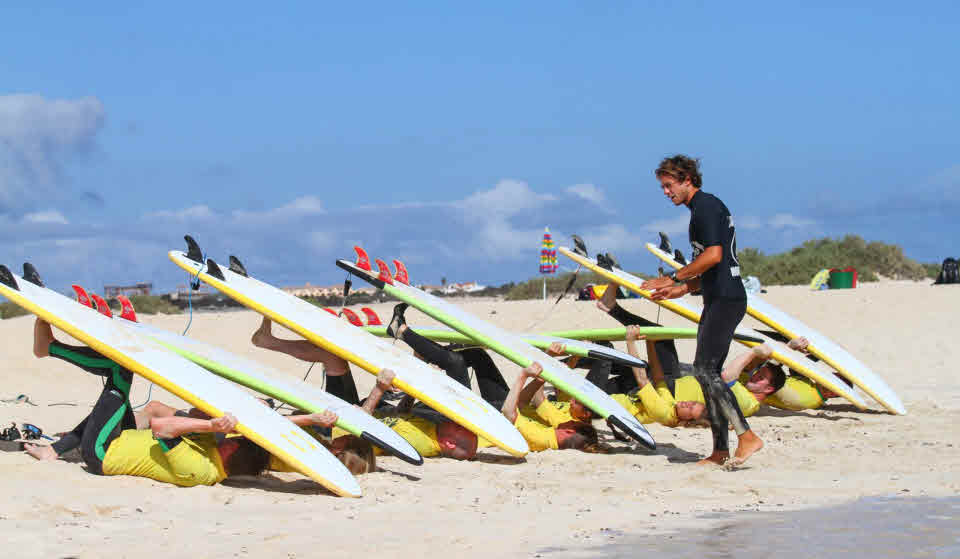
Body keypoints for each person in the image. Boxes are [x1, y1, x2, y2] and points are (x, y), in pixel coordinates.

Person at [24, 318, 353, 485]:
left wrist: (210, 424)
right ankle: (53, 451)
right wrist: (311, 419)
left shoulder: (200, 471)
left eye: (231, 439)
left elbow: (161, 428)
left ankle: (49, 348)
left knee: (119, 370)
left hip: (103, 453)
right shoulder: (217, 454)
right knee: (115, 394)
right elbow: (262, 427)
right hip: (119, 438)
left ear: (231, 449)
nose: (228, 438)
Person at [637, 155, 762, 466]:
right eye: (663, 187)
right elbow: (711, 269)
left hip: (725, 298)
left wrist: (674, 276)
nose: (666, 192)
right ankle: (720, 450)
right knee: (708, 374)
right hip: (719, 295)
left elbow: (715, 256)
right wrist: (679, 290)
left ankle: (747, 437)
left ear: (687, 180)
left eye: (669, 185)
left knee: (705, 371)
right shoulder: (704, 208)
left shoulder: (704, 207)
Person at [252, 316, 480, 460]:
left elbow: (363, 431)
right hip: (358, 411)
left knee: (332, 358)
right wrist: (409, 393)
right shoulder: (432, 432)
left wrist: (379, 389)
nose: (459, 421)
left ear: (449, 443)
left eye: (460, 427)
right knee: (334, 357)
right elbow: (400, 416)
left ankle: (268, 341)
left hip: (340, 425)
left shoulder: (418, 443)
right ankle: (268, 340)